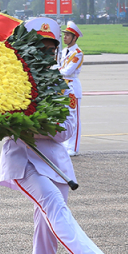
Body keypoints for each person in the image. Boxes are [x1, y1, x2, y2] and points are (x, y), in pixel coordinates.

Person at [0, 17, 123, 254]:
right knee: (54, 205)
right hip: (23, 162)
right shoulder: (11, 81)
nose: (45, 52)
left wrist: (37, 125)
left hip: (54, 165)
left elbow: (67, 130)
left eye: (50, 47)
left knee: (47, 240)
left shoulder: (59, 85)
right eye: (40, 47)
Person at [58, 22, 84, 156]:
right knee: (64, 117)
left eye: (68, 35)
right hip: (63, 87)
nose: (65, 37)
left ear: (74, 38)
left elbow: (67, 71)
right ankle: (64, 144)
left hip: (72, 87)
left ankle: (73, 148)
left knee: (74, 118)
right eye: (65, 35)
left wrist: (56, 70)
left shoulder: (77, 53)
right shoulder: (63, 51)